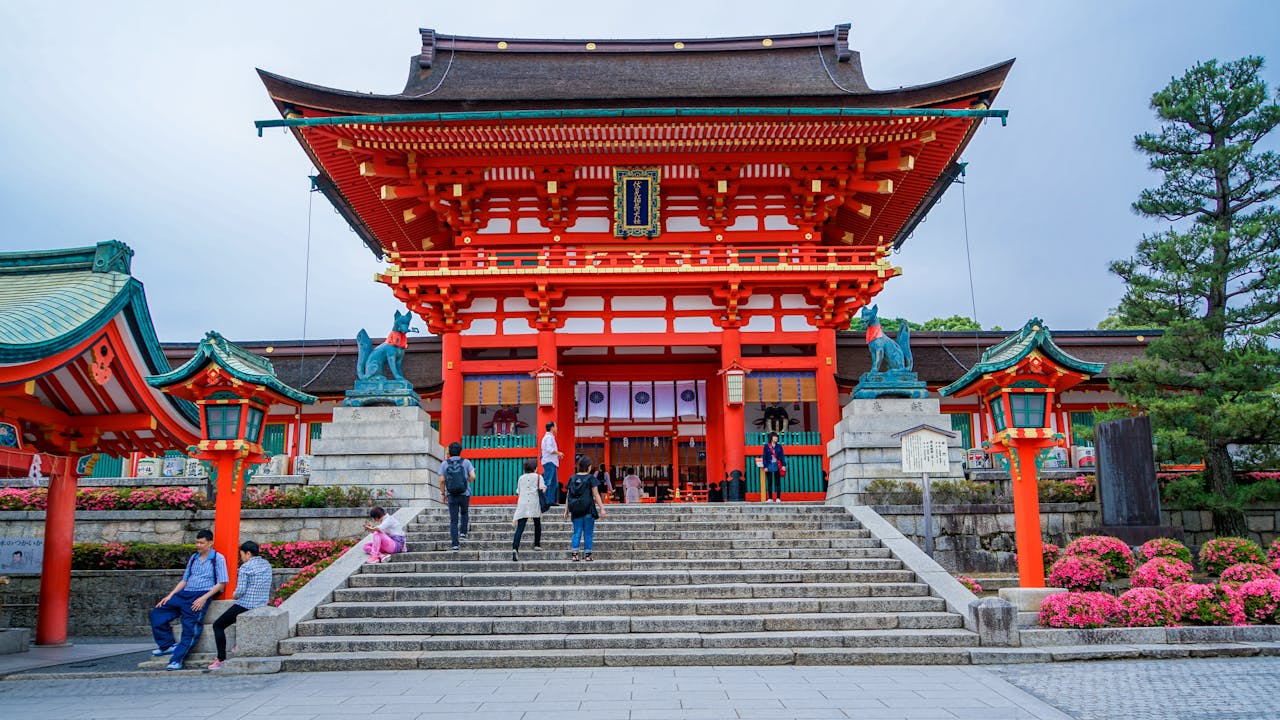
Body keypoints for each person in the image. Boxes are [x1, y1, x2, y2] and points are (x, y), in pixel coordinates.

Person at [149, 529, 228, 670]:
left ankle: (176, 660)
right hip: (185, 593)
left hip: (201, 594)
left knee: (189, 628)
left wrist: (203, 598)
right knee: (158, 612)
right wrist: (170, 595)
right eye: (197, 542)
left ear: (210, 543)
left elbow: (221, 583)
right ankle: (166, 645)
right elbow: (184, 580)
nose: (198, 545)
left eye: (201, 543)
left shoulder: (217, 558)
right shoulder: (194, 558)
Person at [207, 540, 272, 670]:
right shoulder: (266, 564)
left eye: (241, 555)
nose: (241, 558)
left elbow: (241, 590)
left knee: (218, 625)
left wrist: (235, 595)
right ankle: (237, 645)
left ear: (248, 554)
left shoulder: (245, 567)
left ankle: (220, 658)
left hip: (246, 604)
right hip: (262, 603)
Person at [564, 456, 606, 561]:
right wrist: (602, 508)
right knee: (588, 533)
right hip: (588, 509)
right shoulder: (591, 478)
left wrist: (566, 510)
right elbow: (596, 494)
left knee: (576, 532)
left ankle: (575, 554)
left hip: (575, 510)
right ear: (588, 467)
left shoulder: (572, 478)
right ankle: (587, 555)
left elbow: (568, 496)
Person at [439, 441, 476, 552]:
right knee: (464, 512)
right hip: (464, 493)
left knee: (453, 520)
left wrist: (443, 494)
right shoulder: (466, 462)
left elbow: (441, 480)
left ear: (449, 452)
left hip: (451, 494)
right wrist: (467, 481)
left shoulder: (445, 464)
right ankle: (463, 533)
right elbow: (473, 476)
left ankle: (455, 545)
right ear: (460, 451)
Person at [511, 458, 545, 562]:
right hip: (534, 503)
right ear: (535, 468)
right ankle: (537, 544)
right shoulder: (539, 477)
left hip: (523, 503)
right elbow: (542, 489)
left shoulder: (521, 478)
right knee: (537, 523)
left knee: (520, 527)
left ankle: (515, 548)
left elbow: (518, 491)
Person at [540, 421, 564, 507]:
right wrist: (559, 453)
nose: (556, 428)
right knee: (548, 482)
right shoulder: (549, 438)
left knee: (553, 482)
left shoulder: (548, 437)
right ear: (552, 428)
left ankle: (550, 500)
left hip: (550, 462)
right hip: (550, 462)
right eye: (556, 426)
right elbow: (549, 449)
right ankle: (546, 500)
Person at [762, 432, 787, 503]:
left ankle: (778, 498)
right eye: (774, 436)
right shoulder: (766, 446)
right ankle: (770, 498)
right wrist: (765, 466)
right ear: (771, 438)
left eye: (777, 437)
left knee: (777, 482)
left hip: (777, 465)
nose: (776, 438)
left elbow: (782, 456)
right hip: (769, 465)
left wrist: (784, 465)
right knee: (769, 482)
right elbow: (764, 457)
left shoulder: (779, 446)